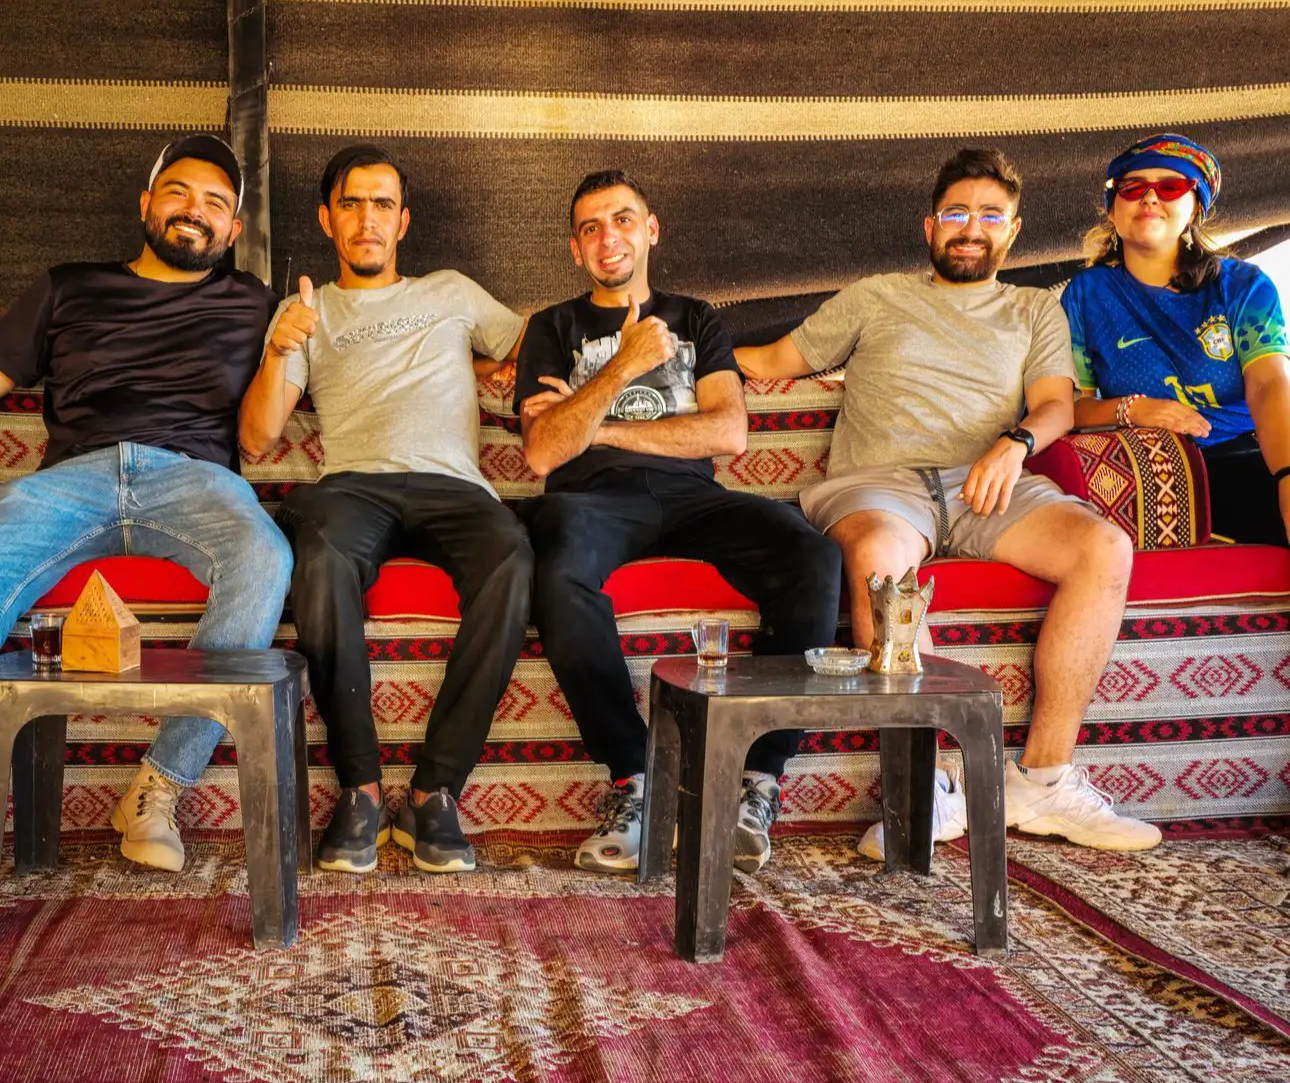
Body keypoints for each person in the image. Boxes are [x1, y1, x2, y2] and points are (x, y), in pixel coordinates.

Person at [737, 146, 1161, 857]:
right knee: (879, 559)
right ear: (930, 225)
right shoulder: (875, 297)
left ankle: (1044, 780)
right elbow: (769, 360)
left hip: (990, 482)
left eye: (990, 216)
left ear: (1013, 231)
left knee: (1104, 547)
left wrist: (1016, 444)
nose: (972, 227)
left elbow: (1056, 404)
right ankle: (926, 786)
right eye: (957, 213)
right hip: (883, 485)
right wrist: (653, 354)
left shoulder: (1034, 309)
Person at [515, 169, 841, 875]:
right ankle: (635, 780)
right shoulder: (551, 327)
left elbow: (728, 433)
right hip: (592, 502)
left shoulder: (697, 319)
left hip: (694, 497)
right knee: (555, 564)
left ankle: (756, 779)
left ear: (651, 229)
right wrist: (623, 366)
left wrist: (593, 426)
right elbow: (542, 453)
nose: (609, 238)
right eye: (591, 228)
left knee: (813, 557)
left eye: (623, 220)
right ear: (575, 248)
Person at [0, 134, 293, 872]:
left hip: (193, 478)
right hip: (74, 478)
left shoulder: (254, 302)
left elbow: (263, 435)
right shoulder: (67, 286)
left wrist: (284, 348)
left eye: (216, 204)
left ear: (233, 229)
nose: (195, 210)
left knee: (264, 554)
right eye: (178, 193)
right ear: (146, 205)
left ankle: (158, 789)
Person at [239, 145, 532, 876]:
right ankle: (360, 789)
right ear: (326, 219)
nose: (366, 219)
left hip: (455, 486)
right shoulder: (305, 311)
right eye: (351, 204)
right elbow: (256, 438)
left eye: (382, 205)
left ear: (403, 222)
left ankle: (435, 792)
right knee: (319, 556)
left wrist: (486, 367)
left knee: (512, 556)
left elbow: (534, 350)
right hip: (353, 486)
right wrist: (278, 351)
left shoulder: (452, 292)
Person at [1062, 133, 1290, 546]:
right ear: (1112, 209)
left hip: (1247, 456)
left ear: (1195, 207)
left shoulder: (1243, 286)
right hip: (1142, 472)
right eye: (1132, 188)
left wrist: (1288, 477)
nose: (1149, 198)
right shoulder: (1086, 294)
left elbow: (1269, 384)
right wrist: (1134, 409)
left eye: (1170, 187)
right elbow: (1067, 407)